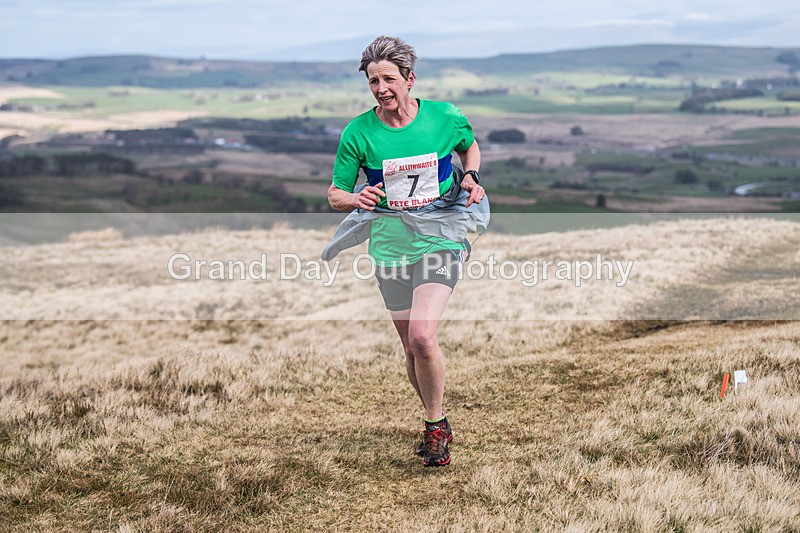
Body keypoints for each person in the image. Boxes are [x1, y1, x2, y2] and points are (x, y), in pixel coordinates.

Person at [326, 35, 487, 467]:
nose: (381, 88)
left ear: (409, 79)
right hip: (389, 247)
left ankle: (435, 428)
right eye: (373, 80)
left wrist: (470, 176)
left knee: (422, 335)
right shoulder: (358, 133)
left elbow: (468, 146)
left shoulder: (443, 116)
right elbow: (335, 194)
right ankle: (438, 419)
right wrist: (355, 199)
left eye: (388, 79)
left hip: (440, 236)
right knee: (410, 348)